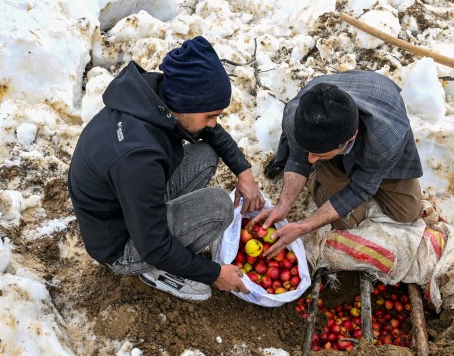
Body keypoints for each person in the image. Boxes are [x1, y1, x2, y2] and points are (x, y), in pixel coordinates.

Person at [68, 36, 262, 301]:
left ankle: (170, 233)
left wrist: (244, 172)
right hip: (121, 246)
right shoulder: (138, 157)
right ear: (185, 105)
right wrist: (213, 273)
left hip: (130, 204)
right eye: (211, 116)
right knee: (218, 207)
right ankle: (158, 271)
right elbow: (154, 245)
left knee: (205, 153)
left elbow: (209, 131)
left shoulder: (155, 97)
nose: (214, 124)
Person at [249, 70, 423, 258]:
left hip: (377, 117)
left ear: (351, 138)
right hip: (334, 135)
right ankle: (322, 172)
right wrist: (283, 205)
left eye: (317, 155)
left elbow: (359, 189)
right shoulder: (297, 116)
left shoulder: (385, 140)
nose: (310, 160)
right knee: (349, 221)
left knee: (408, 213)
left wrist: (304, 226)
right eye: (310, 152)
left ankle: (349, 166)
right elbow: (299, 158)